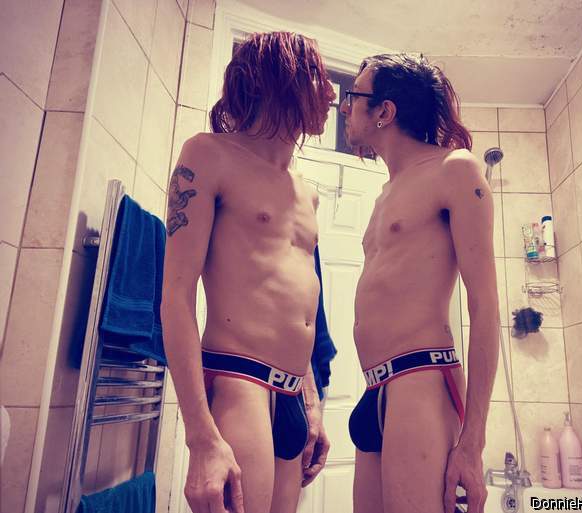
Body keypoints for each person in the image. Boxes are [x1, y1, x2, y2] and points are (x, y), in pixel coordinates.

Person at [161, 32, 336, 513]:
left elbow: (302, 308)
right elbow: (175, 296)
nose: (331, 94)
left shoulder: (307, 192)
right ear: (284, 79)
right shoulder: (209, 155)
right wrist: (200, 437)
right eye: (319, 78)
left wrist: (312, 402)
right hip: (240, 383)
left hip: (294, 391)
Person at [340, 54, 499, 513]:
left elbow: (485, 307)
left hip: (421, 382)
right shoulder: (385, 193)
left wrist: (472, 442)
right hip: (374, 388)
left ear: (385, 111)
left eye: (354, 96)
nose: (345, 106)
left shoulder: (454, 170)